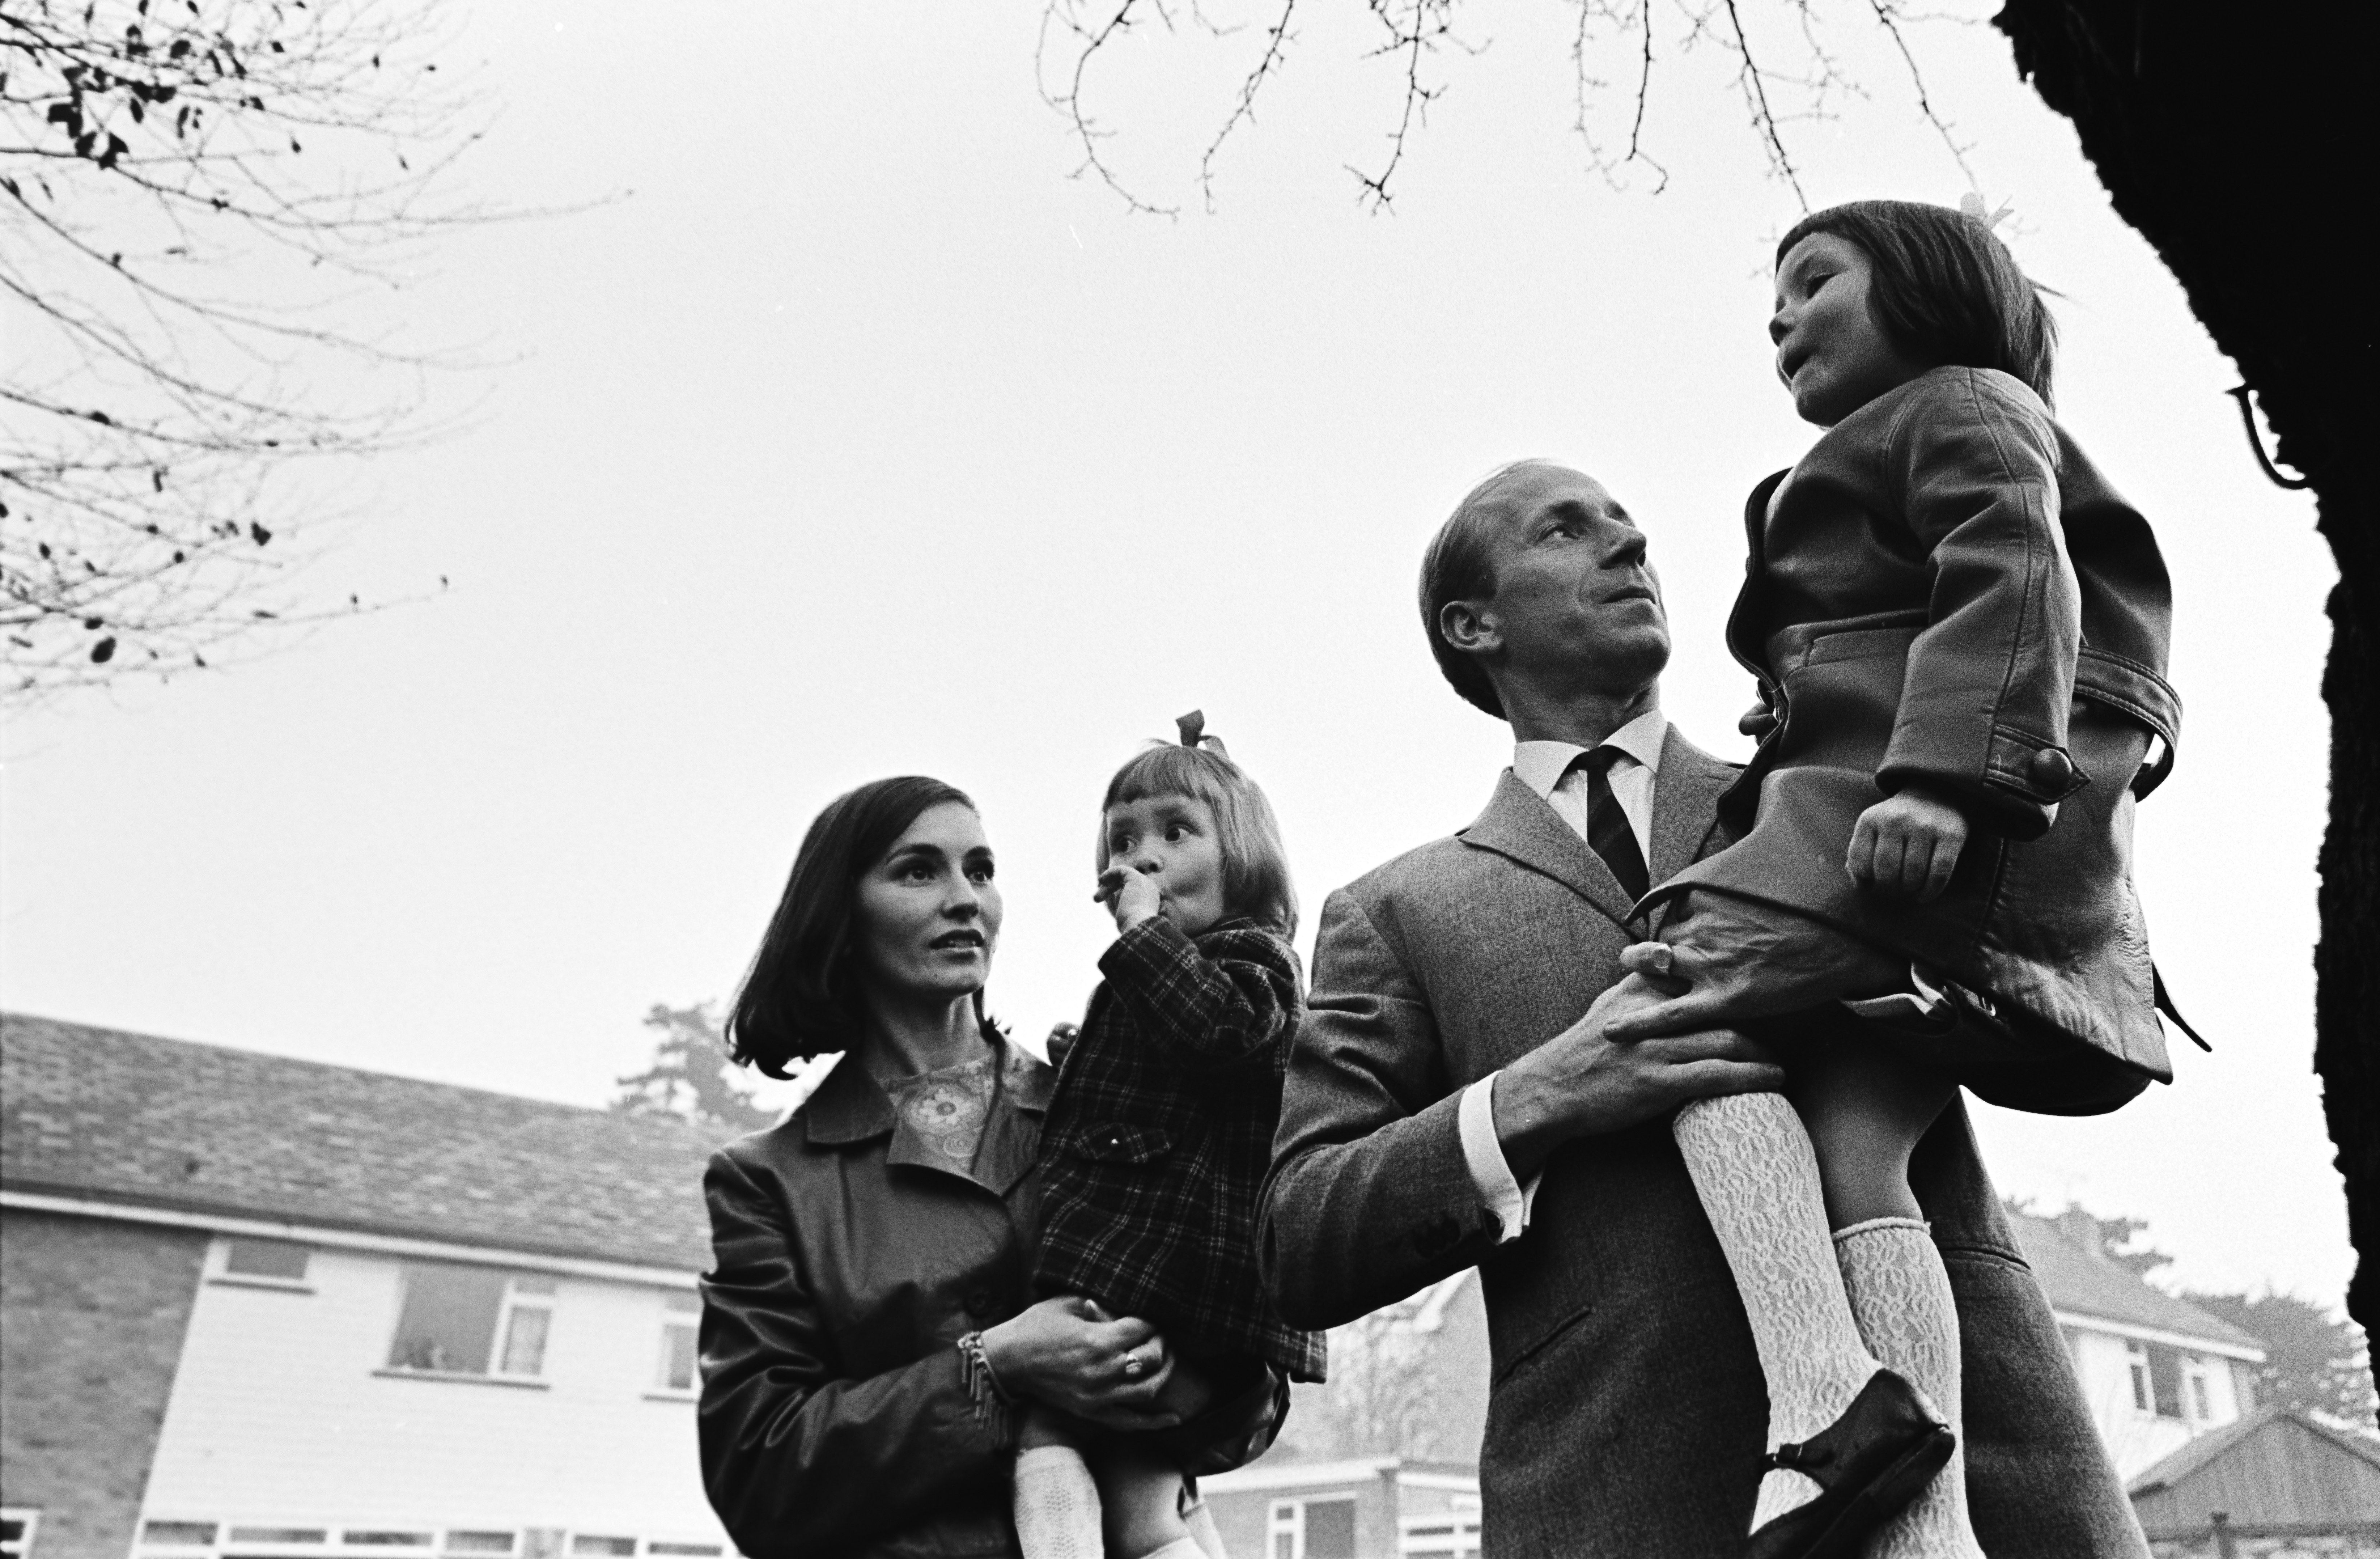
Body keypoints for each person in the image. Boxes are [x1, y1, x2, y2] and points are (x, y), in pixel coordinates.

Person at [1257, 459, 2148, 1558]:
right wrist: (1539, 1095)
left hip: (1980, 1473)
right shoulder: (1393, 912)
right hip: (1623, 1497)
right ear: (1471, 624)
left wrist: (1892, 981)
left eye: (1629, 529)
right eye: (1564, 531)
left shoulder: (1840, 791)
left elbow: (2089, 1014)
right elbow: (1299, 1238)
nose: (1628, 547)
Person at [1619, 198, 2184, 1559]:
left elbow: (2008, 565)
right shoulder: (1920, 428)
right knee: (1858, 1143)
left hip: (1905, 816)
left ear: (1929, 296)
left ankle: (1822, 1389)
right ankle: (1921, 1521)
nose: (1777, 314)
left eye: (1814, 280)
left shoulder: (1961, 408)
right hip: (1912, 830)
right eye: (1772, 296)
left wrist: (1936, 773)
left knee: (1670, 1006)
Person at [695, 777, 1229, 1559]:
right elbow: (759, 1475)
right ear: (839, 913)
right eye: (919, 870)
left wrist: (1164, 1374)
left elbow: (1253, 1380)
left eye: (979, 870)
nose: (964, 899)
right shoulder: (768, 1182)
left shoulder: (1106, 1105)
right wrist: (996, 1367)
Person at [1012, 715, 1321, 1559]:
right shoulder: (1156, 975)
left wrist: (1142, 937)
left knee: (1081, 1430)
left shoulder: (1256, 956)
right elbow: (1168, 1074)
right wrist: (1082, 1059)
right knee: (1124, 1470)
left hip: (1181, 1287)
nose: (1140, 856)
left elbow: (1226, 1036)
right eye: (1122, 839)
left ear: (1242, 860)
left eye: (1174, 832)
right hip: (1137, 1280)